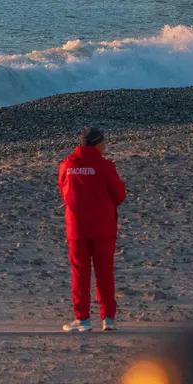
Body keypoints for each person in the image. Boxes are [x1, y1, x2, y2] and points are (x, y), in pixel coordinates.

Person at [59, 125, 127, 333]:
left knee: (80, 274)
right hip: (103, 227)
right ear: (97, 144)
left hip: (77, 227)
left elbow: (64, 192)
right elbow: (119, 195)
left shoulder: (67, 165)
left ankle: (83, 319)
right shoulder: (105, 166)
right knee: (104, 273)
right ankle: (108, 318)